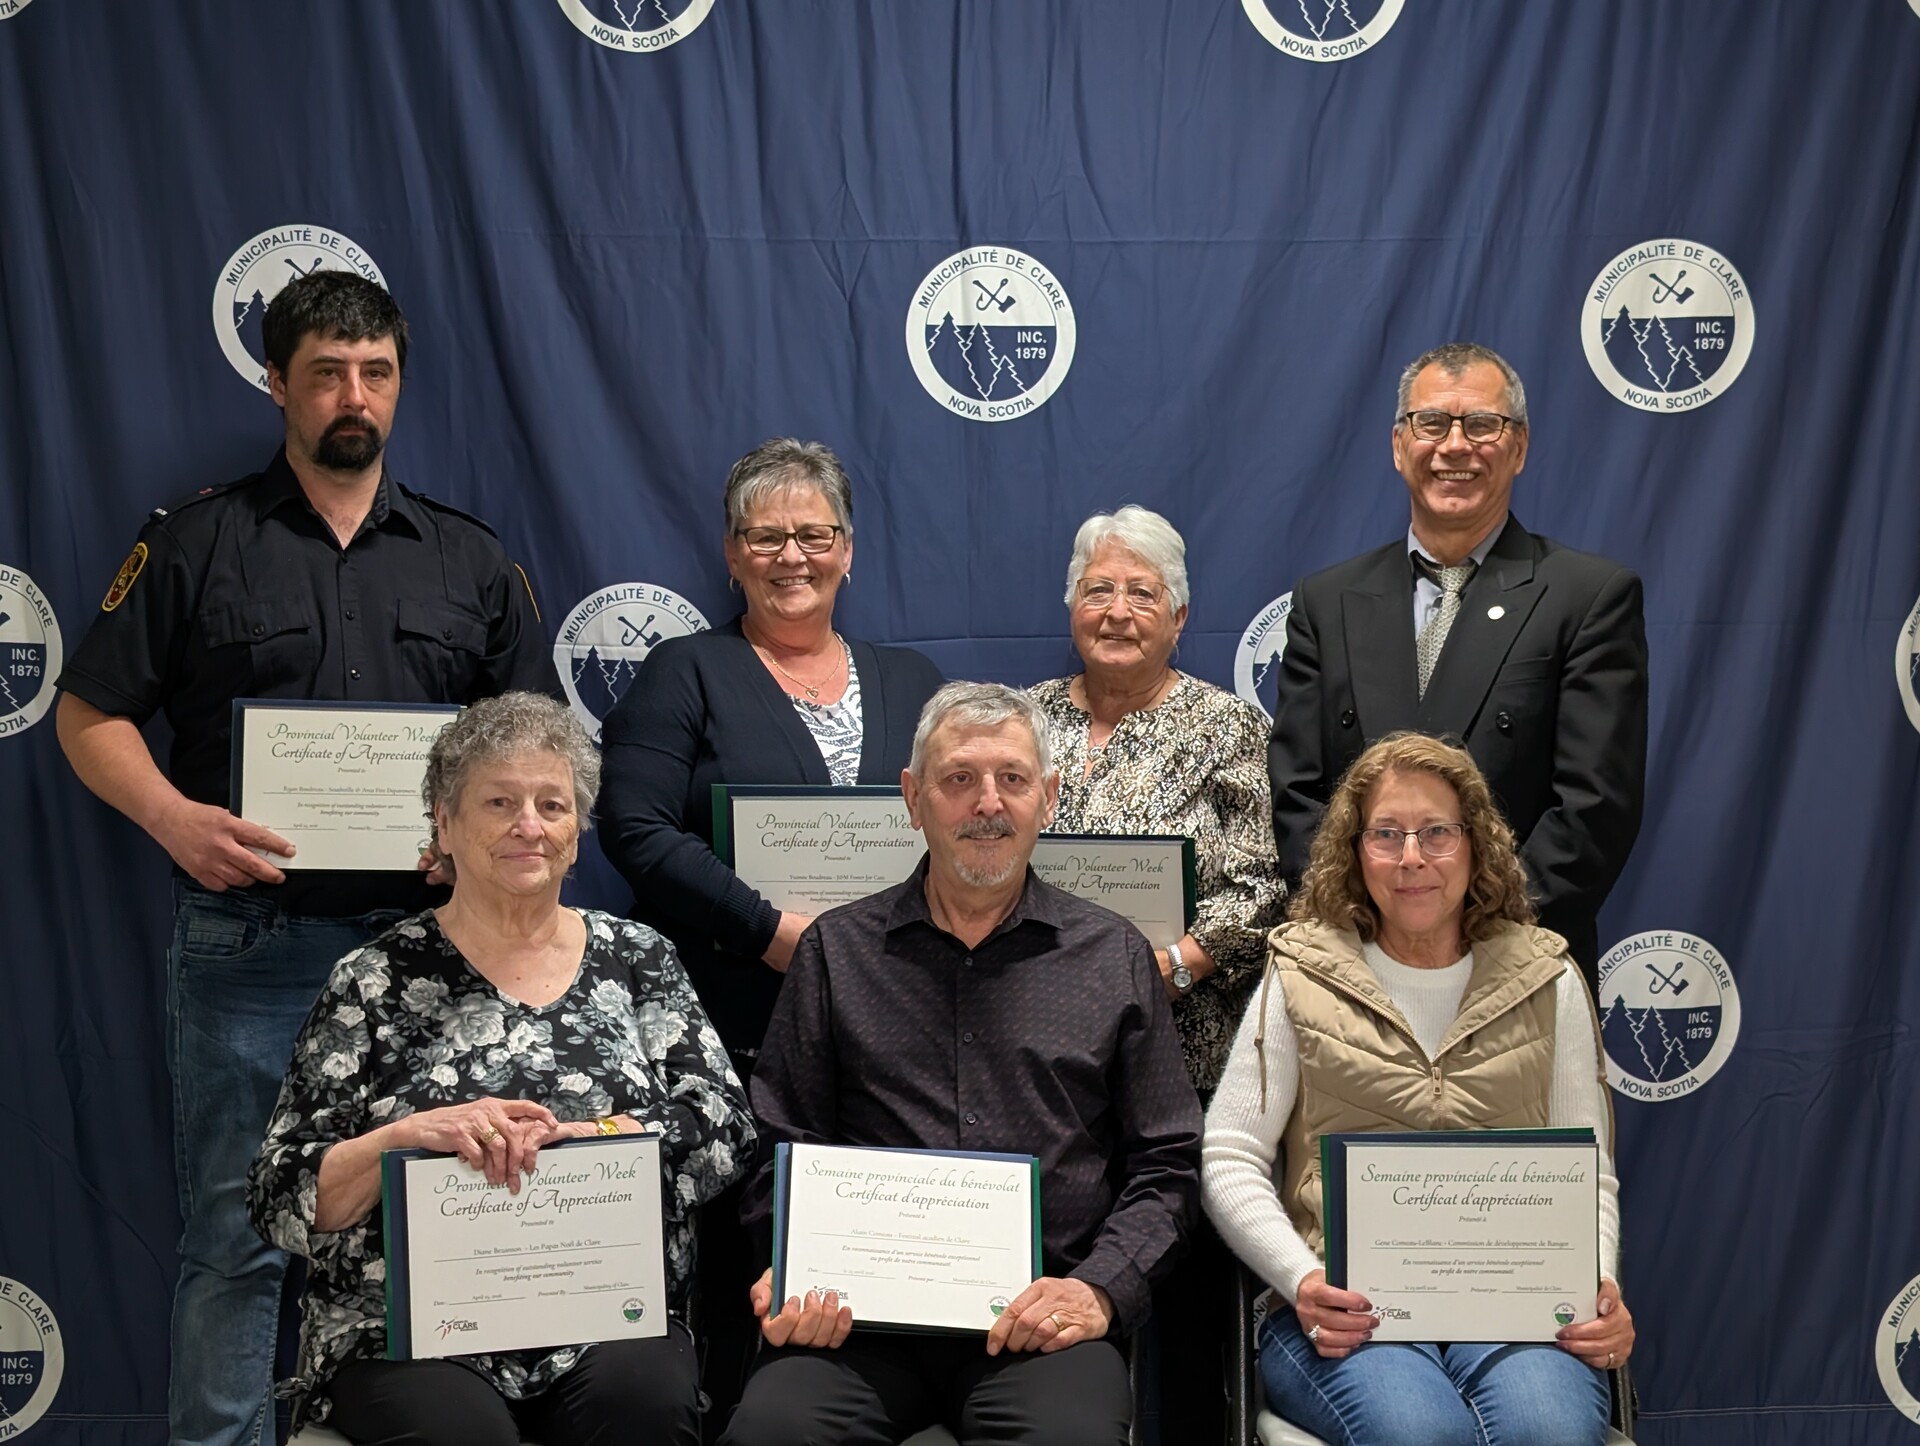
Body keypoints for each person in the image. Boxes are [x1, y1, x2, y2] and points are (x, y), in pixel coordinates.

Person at [52, 271, 557, 1446]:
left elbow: (526, 747)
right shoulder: (192, 542)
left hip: (430, 951)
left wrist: (472, 835)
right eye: (326, 370)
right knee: (238, 1241)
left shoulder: (469, 560)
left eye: (375, 371)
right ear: (277, 380)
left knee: (447, 1215)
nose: (353, 394)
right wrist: (176, 818)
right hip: (249, 947)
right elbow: (87, 714)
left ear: (399, 384)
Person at [247, 692, 754, 1446]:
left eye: (552, 805)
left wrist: (599, 1137)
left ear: (577, 834)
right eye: (498, 801)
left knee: (647, 1407)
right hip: (409, 1334)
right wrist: (404, 1138)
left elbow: (722, 1120)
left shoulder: (637, 959)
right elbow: (278, 1189)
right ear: (444, 825)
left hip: (602, 1312)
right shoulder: (374, 979)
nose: (528, 825)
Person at [719, 682, 1202, 1446]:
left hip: (1041, 1324)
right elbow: (781, 1143)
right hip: (858, 1326)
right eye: (958, 779)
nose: (987, 803)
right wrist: (789, 1255)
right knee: (769, 1435)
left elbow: (1168, 1163)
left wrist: (1100, 1291)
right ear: (913, 799)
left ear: (1048, 798)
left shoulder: (1113, 957)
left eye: (1012, 779)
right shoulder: (837, 952)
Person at [595, 437, 941, 1424]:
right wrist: (773, 933)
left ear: (849, 550)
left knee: (852, 1287)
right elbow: (636, 828)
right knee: (722, 1275)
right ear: (733, 552)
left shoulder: (912, 680)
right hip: (723, 1027)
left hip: (887, 1039)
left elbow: (964, 833)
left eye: (814, 535)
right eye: (767, 536)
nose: (793, 555)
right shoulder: (686, 671)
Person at [1204, 732, 1633, 1446]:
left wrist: (1594, 1284)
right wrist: (1302, 1282)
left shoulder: (1547, 977)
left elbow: (1588, 1173)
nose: (1411, 858)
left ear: (1476, 844)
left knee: (1548, 1432)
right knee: (1421, 1436)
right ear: (1354, 848)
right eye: (1387, 835)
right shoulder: (1300, 971)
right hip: (1349, 1316)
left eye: (1436, 833)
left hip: (1516, 1310)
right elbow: (1228, 1153)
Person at [1266, 342, 1647, 983]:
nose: (1455, 446)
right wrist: (1368, 927)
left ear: (1519, 447)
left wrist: (1470, 934)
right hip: (1357, 967)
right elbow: (1299, 795)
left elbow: (1594, 807)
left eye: (1481, 425)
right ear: (1398, 445)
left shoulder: (1588, 597)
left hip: (1517, 964)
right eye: (1432, 423)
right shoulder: (1325, 602)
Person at [1030, 505, 1284, 1443]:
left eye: (1144, 592)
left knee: (1174, 1293)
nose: (1119, 609)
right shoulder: (1023, 719)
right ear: (1071, 608)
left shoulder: (1228, 726)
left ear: (1179, 616)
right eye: (1099, 589)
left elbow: (1264, 890)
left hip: (1183, 1055)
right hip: (1041, 1056)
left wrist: (1166, 966)